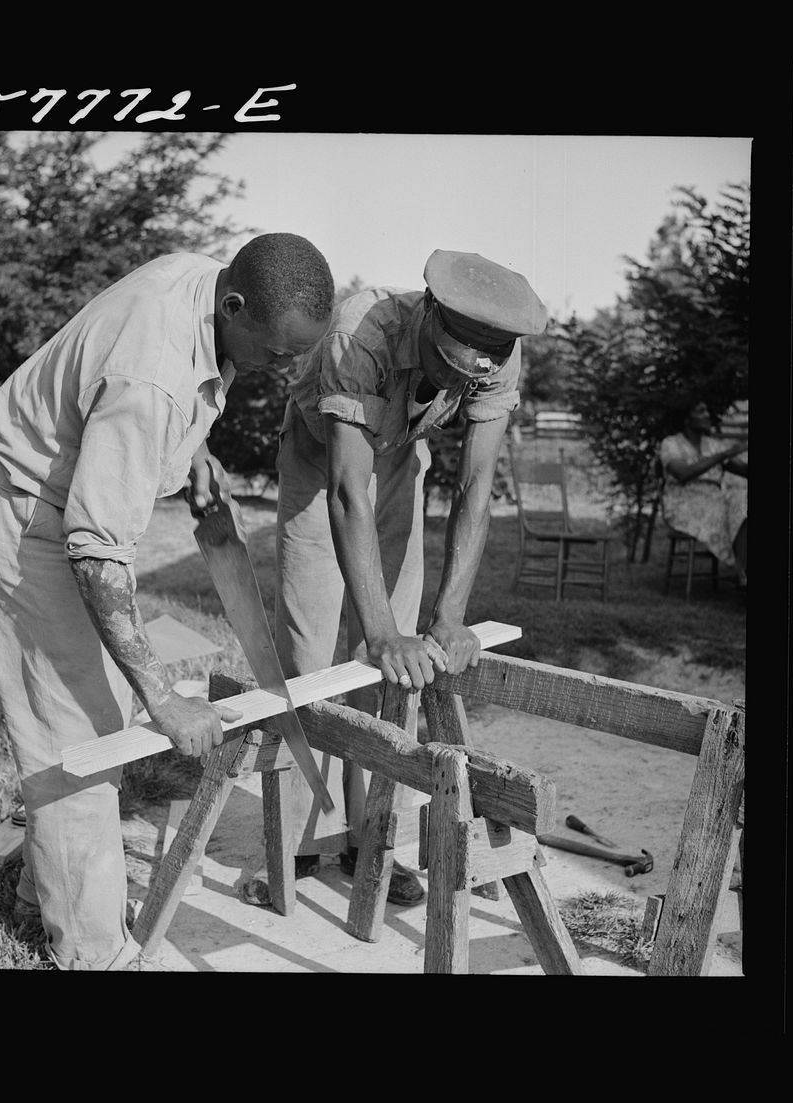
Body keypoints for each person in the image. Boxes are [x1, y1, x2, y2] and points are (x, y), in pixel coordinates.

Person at [0, 233, 335, 970]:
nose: (284, 368)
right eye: (276, 352)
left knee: (95, 715)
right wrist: (163, 697)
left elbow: (167, 389)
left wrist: (192, 452)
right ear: (235, 305)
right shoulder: (153, 377)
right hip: (29, 517)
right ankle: (95, 954)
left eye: (298, 354)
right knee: (79, 738)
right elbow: (97, 549)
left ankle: (48, 896)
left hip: (61, 502)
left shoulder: (208, 284)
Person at [267, 249, 548, 906]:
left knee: (393, 676)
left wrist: (448, 617)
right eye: (453, 360)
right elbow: (346, 492)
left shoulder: (500, 356)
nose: (466, 375)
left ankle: (371, 841)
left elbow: (476, 487)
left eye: (480, 366)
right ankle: (304, 841)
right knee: (312, 657)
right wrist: (380, 632)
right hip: (320, 462)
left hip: (399, 459)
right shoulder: (361, 332)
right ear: (427, 316)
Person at [659, 400, 749, 587]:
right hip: (683, 503)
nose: (707, 415)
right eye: (701, 411)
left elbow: (743, 470)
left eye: (707, 410)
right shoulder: (671, 444)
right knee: (731, 511)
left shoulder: (713, 445)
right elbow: (683, 474)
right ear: (687, 419)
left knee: (742, 502)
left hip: (715, 500)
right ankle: (741, 573)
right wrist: (723, 455)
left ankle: (742, 572)